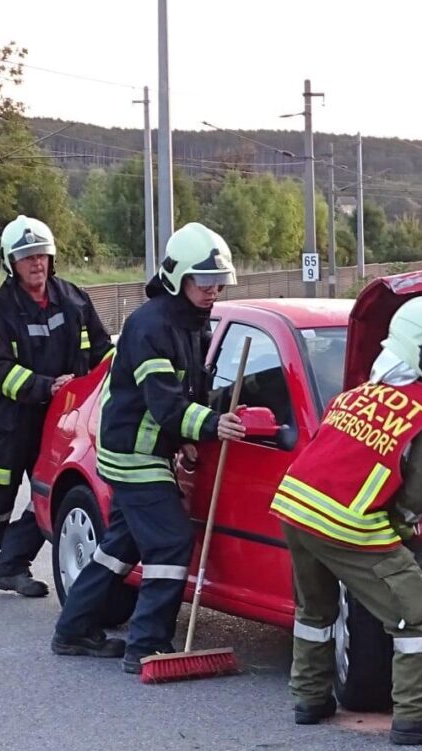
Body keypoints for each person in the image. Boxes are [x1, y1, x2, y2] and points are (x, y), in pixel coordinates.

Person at [270, 295, 422, 746]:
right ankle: (418, 715)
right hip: (345, 525)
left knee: (315, 609)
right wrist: (403, 524)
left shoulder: (356, 395)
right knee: (419, 613)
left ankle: (309, 698)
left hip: (295, 508)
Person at [50, 222, 247, 665]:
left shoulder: (192, 322)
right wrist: (213, 425)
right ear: (178, 278)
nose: (213, 290)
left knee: (121, 546)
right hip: (133, 456)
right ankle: (146, 644)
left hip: (150, 449)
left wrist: (188, 437)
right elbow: (166, 404)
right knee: (171, 541)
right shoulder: (150, 326)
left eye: (219, 282)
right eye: (204, 281)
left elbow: (187, 393)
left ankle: (73, 628)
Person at [0, 215, 113, 597]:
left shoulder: (74, 299)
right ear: (11, 263)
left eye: (41, 255)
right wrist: (47, 386)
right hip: (5, 419)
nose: (36, 263)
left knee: (48, 491)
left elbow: (104, 352)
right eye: (26, 258)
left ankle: (13, 565)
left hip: (60, 419)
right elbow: (0, 372)